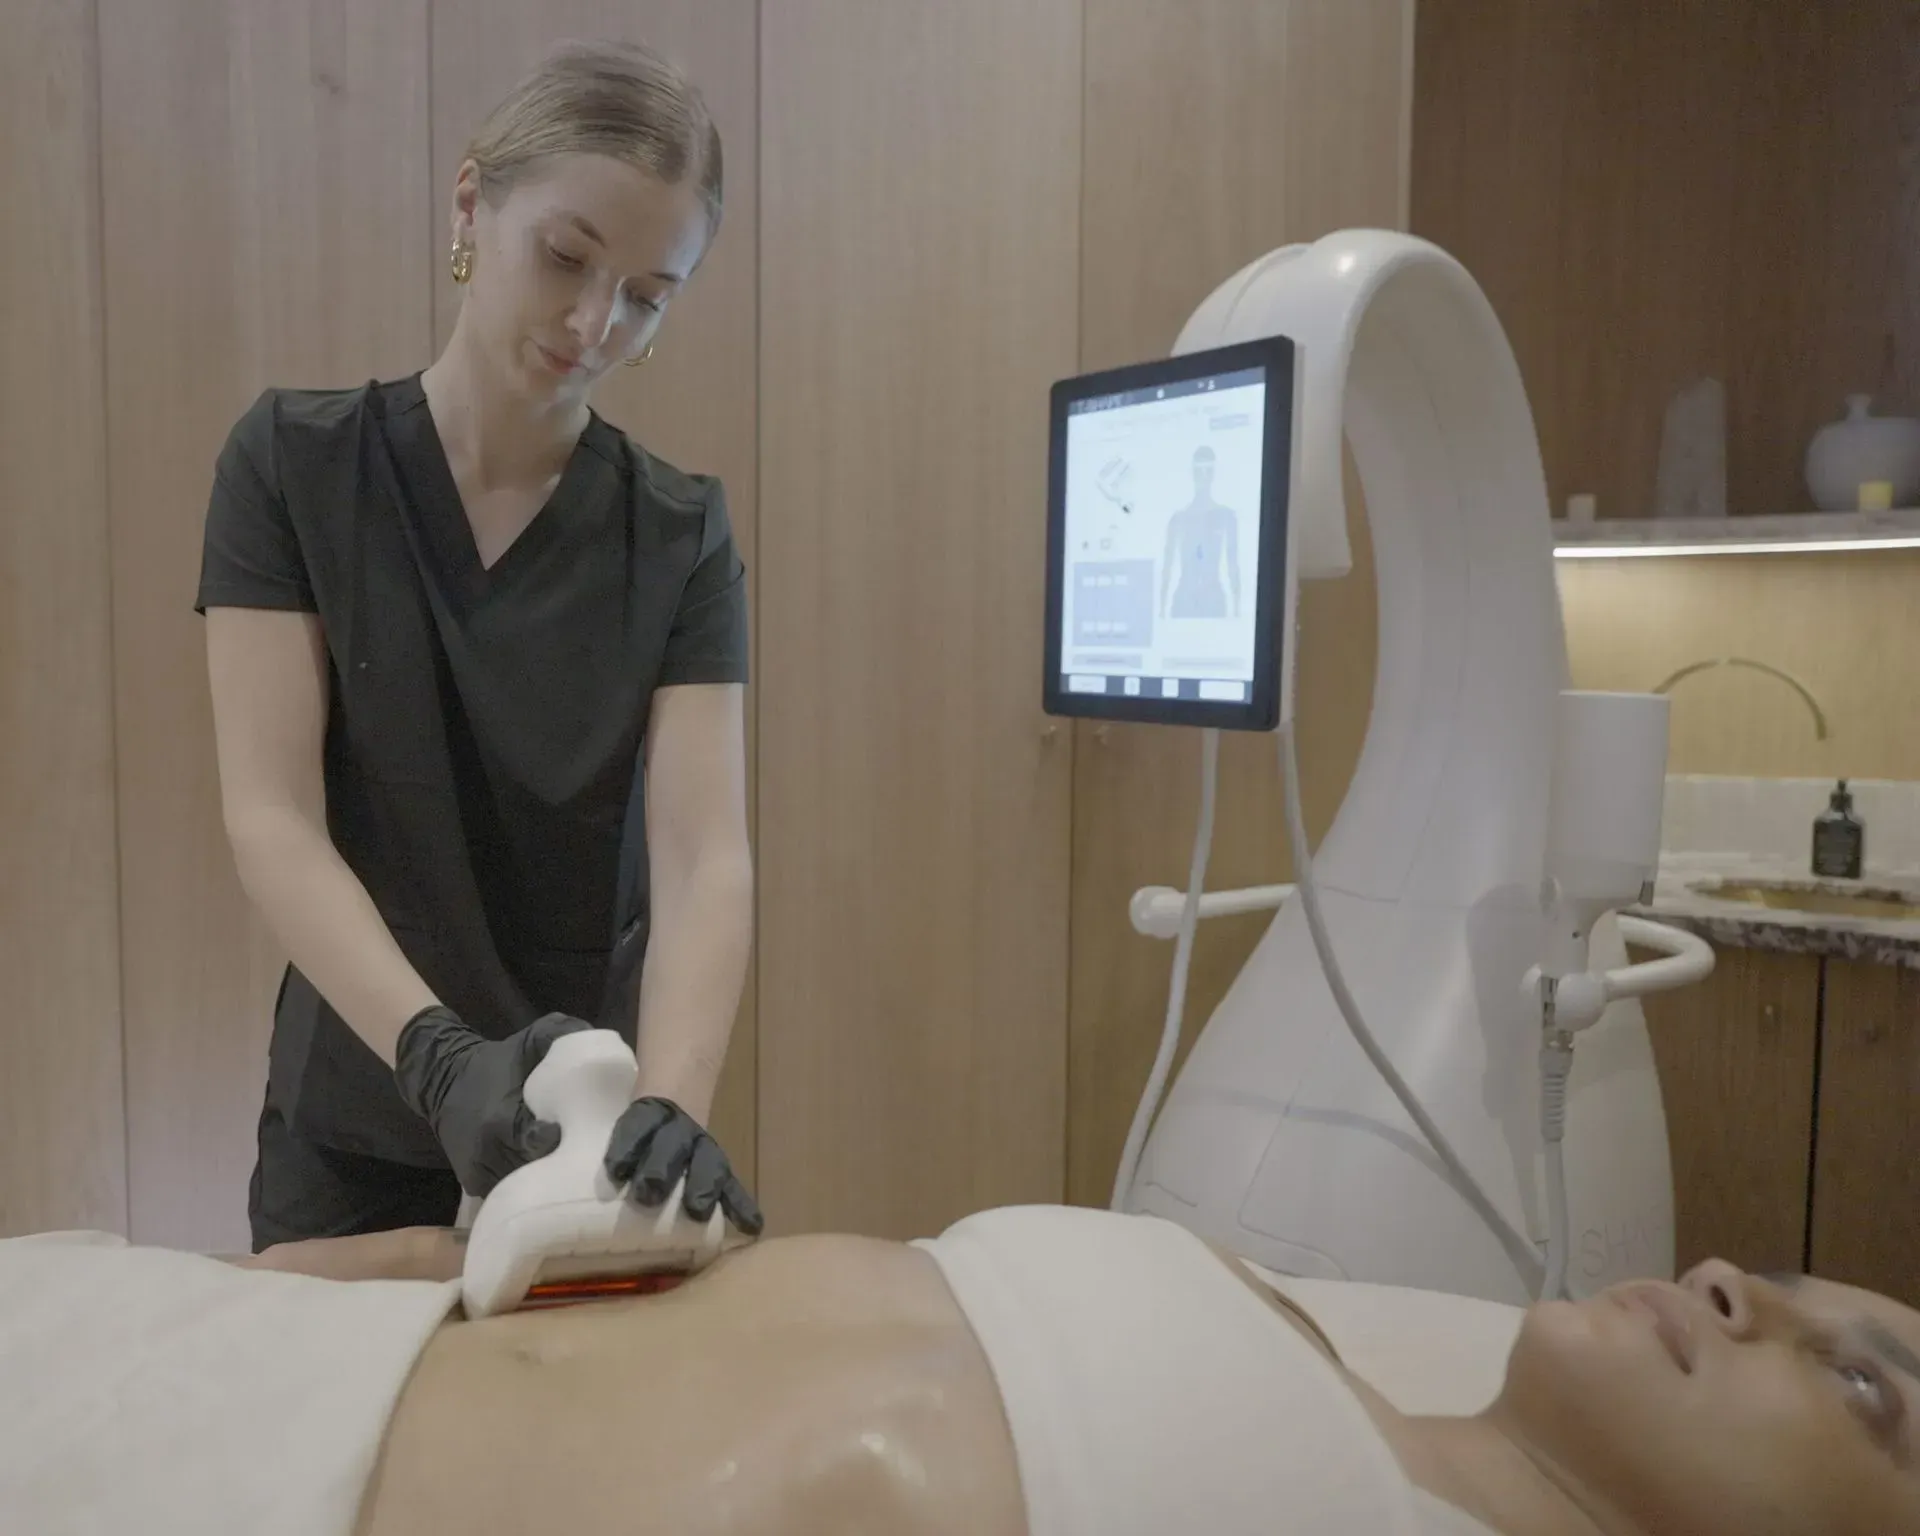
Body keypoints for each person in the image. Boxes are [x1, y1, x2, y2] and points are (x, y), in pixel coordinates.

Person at [195, 38, 760, 1250]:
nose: (595, 321)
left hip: (578, 1138)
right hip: (356, 1110)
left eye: (649, 295)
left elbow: (705, 855)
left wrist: (672, 1103)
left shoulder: (677, 535)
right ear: (471, 203)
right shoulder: (294, 468)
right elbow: (271, 816)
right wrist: (437, 1060)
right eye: (566, 257)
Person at [4, 1206, 1914, 1534]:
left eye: (1866, 1390)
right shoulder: (1287, 1321)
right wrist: (442, 1270)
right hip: (214, 1360)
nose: (1752, 1287)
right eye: (1824, 1288)